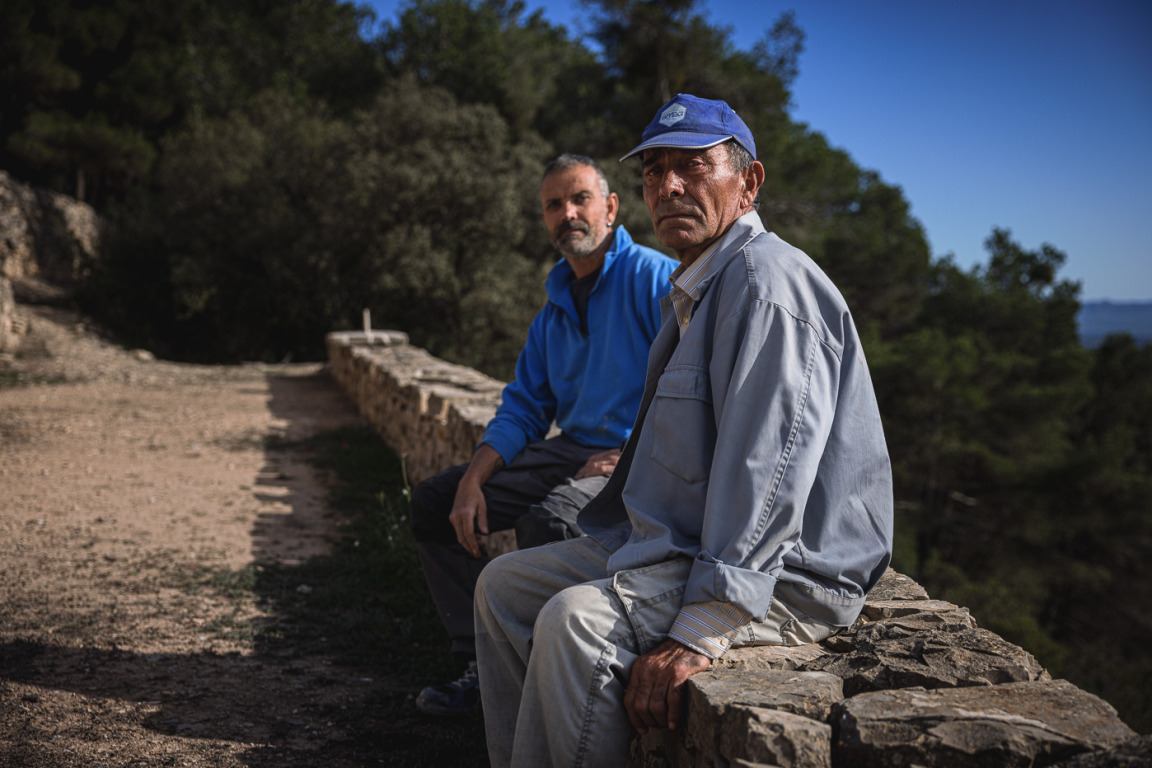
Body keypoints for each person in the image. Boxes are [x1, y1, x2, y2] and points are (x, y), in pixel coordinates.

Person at [474, 94, 894, 767]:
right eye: (653, 171)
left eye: (692, 167)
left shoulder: (768, 285)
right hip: (684, 547)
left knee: (574, 622)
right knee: (503, 588)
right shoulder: (697, 286)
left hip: (786, 572)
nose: (668, 186)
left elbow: (771, 471)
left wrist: (705, 626)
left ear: (748, 181)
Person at [409, 154, 677, 716]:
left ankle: (553, 681)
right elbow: (525, 407)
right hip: (570, 449)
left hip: (641, 458)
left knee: (551, 520)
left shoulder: (654, 279)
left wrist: (629, 457)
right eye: (554, 204)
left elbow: (690, 393)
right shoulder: (553, 308)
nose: (567, 213)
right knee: (437, 504)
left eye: (579, 199)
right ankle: (481, 663)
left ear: (610, 207)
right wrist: (474, 480)